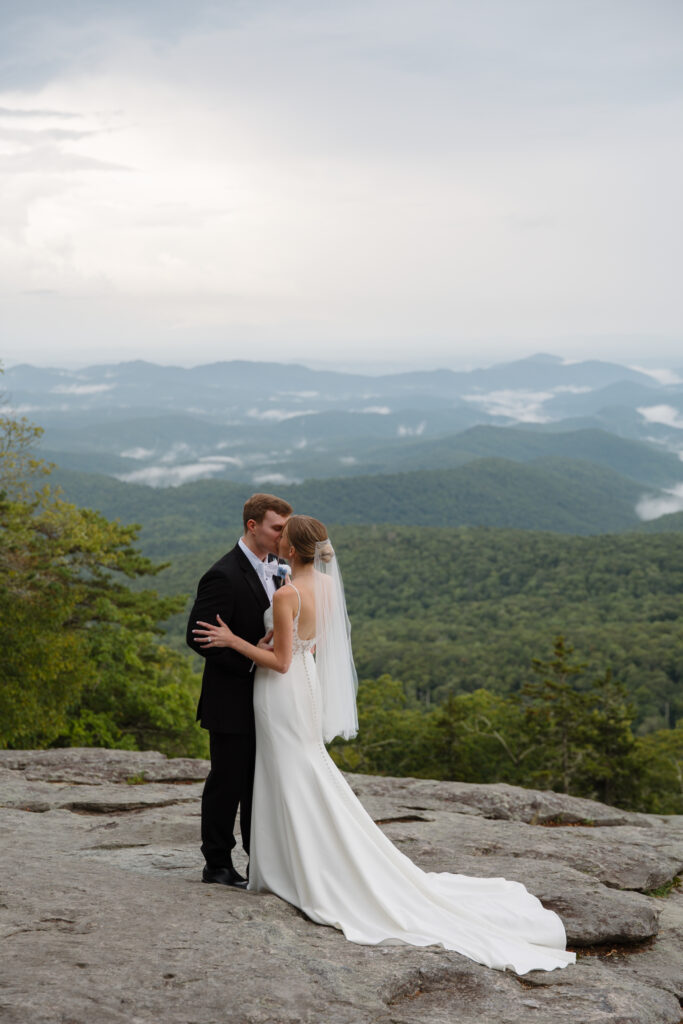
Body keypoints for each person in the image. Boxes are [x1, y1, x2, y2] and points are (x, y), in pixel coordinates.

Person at [193, 515, 576, 975]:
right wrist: (283, 639)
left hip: (281, 690)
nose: (277, 541)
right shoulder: (327, 588)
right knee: (299, 769)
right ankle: (293, 862)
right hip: (305, 688)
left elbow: (277, 662)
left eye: (283, 536)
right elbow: (306, 646)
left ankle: (292, 868)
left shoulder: (287, 592)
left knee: (289, 772)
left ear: (290, 551)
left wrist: (234, 639)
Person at [186, 492, 292, 887]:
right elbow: (198, 637)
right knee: (227, 783)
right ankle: (216, 863)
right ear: (253, 526)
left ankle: (259, 862)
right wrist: (250, 660)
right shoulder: (223, 574)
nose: (283, 535)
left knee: (259, 784)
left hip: (269, 700)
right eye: (276, 528)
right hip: (230, 699)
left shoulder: (279, 568)